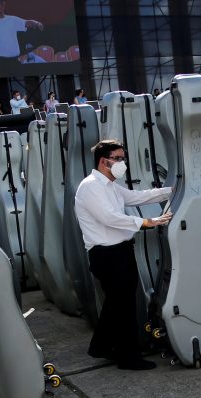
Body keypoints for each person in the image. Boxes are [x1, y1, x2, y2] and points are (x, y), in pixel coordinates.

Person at [74, 140, 173, 370]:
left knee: (116, 304)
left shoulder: (109, 186)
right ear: (103, 161)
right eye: (118, 159)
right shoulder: (90, 186)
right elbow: (109, 218)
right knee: (124, 307)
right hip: (107, 255)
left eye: (122, 158)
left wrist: (171, 191)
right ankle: (128, 358)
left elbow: (136, 197)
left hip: (119, 252)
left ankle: (101, 347)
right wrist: (148, 222)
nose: (122, 163)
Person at [0, 0, 44, 64]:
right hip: (0, 60)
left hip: (14, 59)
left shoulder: (12, 20)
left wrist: (37, 23)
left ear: (3, 5)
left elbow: (26, 22)